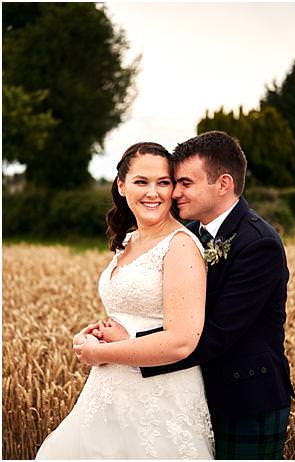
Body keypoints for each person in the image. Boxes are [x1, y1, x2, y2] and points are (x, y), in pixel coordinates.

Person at [75, 131, 294, 459]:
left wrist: (123, 344)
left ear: (222, 184)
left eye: (185, 183)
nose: (174, 193)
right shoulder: (189, 233)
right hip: (191, 388)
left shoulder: (258, 243)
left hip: (245, 400)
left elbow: (216, 334)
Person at [36, 142, 214, 459]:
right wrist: (92, 335)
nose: (154, 193)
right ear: (121, 185)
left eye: (164, 182)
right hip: (109, 392)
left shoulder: (180, 246)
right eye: (141, 182)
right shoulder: (129, 241)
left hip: (161, 397)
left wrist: (100, 351)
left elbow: (181, 342)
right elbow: (129, 313)